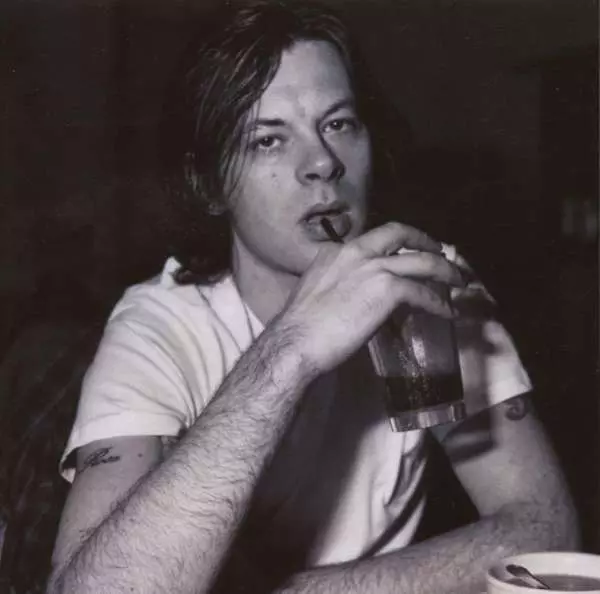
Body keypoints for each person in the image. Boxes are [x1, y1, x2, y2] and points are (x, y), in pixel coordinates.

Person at [48, 1, 579, 592]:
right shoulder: (158, 327)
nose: (324, 163)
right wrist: (290, 349)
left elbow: (546, 530)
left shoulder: (426, 280)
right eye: (269, 140)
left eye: (339, 124)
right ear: (210, 185)